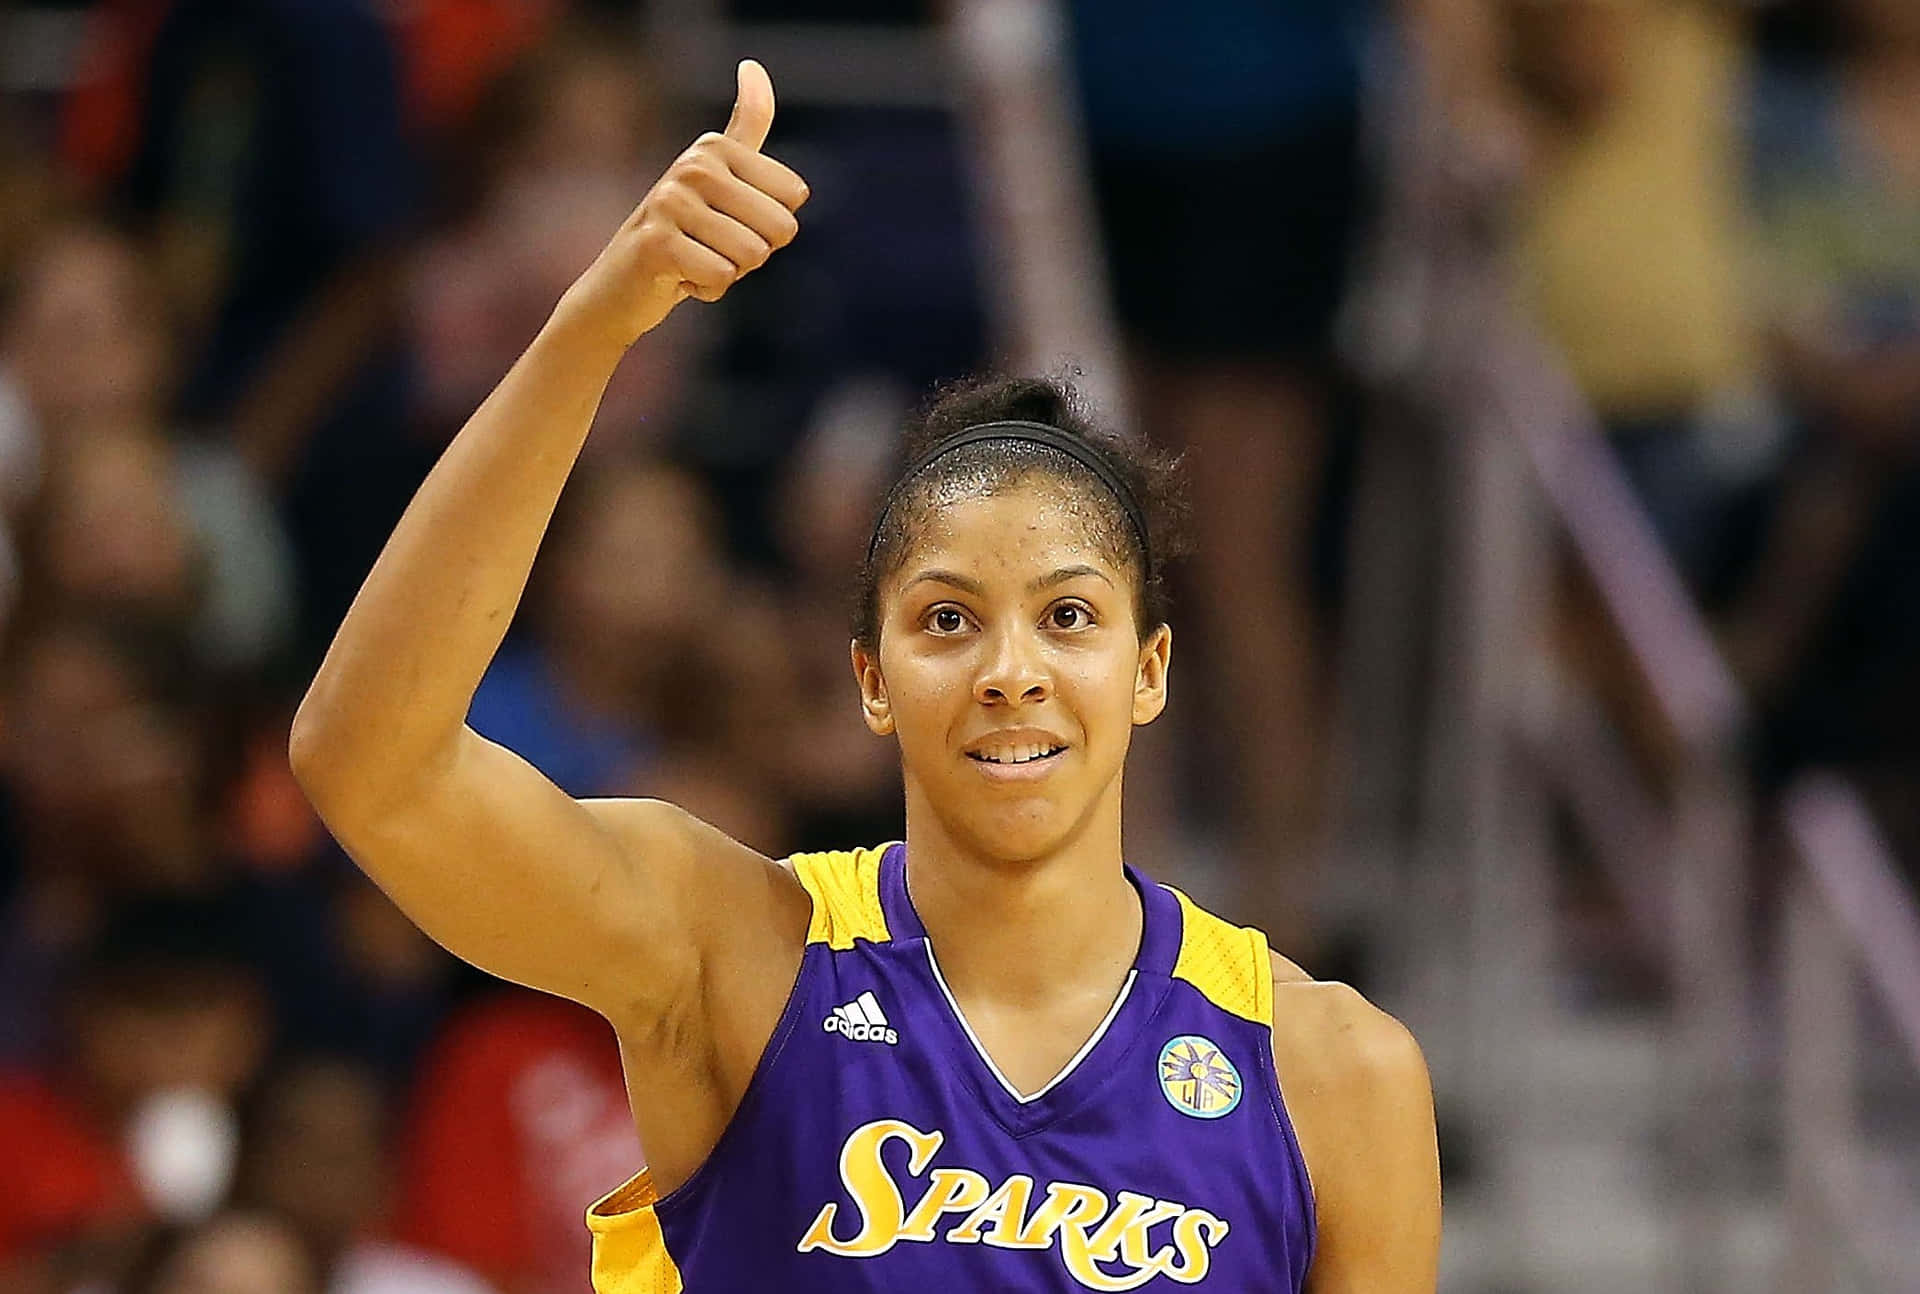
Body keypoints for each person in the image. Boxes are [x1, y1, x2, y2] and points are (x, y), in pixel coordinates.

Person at [290, 61, 1440, 1291]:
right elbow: (374, 766)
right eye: (948, 619)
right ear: (870, 677)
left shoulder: (1333, 1071)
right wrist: (596, 325)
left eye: (1067, 616)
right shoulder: (736, 954)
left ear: (1149, 669)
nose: (1011, 671)